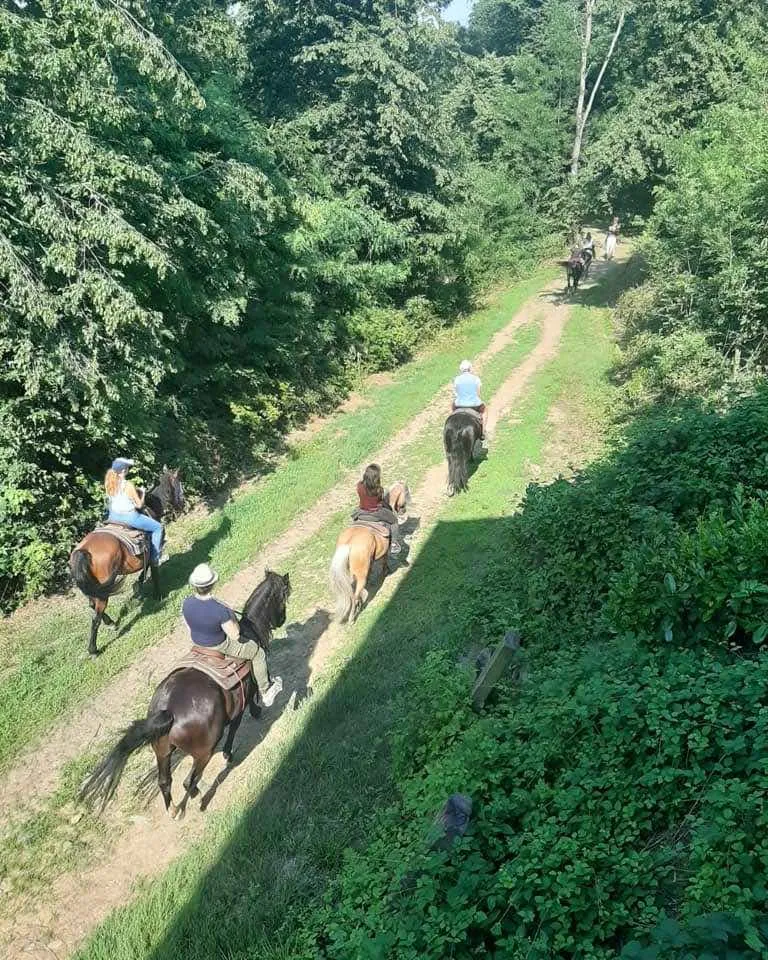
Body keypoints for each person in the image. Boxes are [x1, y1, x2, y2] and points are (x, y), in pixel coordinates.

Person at [182, 563, 281, 707]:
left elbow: (187, 624)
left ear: (195, 585)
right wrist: (230, 615)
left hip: (197, 643)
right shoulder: (219, 609)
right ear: (212, 584)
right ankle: (266, 691)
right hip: (220, 645)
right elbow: (235, 634)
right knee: (258, 653)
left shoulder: (186, 602)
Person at [105, 457, 167, 565]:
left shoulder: (109, 484)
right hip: (129, 518)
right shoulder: (128, 485)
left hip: (113, 517)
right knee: (158, 528)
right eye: (127, 467)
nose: (128, 469)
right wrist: (142, 493)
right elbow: (139, 505)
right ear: (124, 470)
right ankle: (155, 558)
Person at [354, 464, 402, 555]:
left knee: (353, 519)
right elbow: (381, 502)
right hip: (376, 512)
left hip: (361, 511)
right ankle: (394, 544)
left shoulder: (359, 486)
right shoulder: (379, 489)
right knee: (394, 521)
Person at [453, 359, 487, 442]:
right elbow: (478, 393)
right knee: (485, 411)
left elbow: (456, 392)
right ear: (470, 369)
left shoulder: (457, 379)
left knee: (452, 407)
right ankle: (482, 432)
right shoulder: (476, 379)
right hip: (474, 404)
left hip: (459, 404)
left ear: (461, 369)